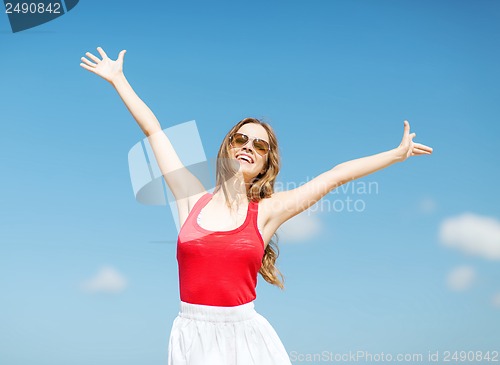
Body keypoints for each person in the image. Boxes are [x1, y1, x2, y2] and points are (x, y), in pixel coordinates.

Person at [80, 47, 433, 365]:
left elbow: (334, 176)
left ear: (266, 164)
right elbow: (154, 132)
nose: (249, 146)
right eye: (241, 138)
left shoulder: (266, 212)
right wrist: (118, 80)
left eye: (260, 146)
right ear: (228, 147)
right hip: (191, 336)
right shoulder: (191, 199)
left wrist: (395, 154)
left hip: (245, 338)